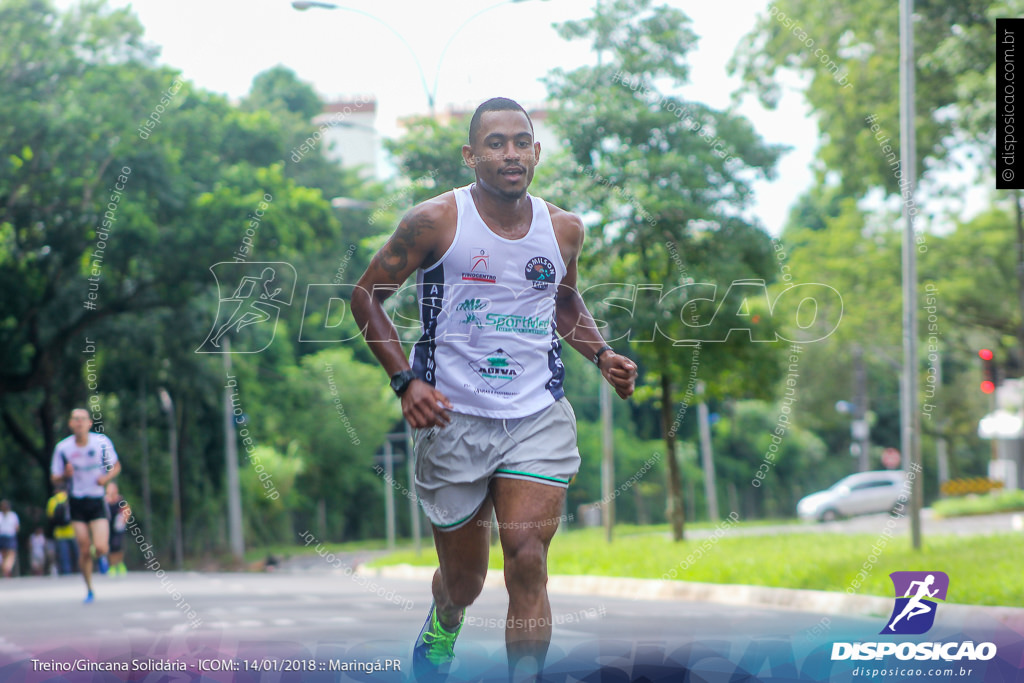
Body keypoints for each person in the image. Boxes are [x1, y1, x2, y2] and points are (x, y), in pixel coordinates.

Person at [351, 97, 637, 681]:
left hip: (537, 415)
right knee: (465, 583)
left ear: (537, 151)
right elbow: (365, 297)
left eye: (521, 141)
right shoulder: (434, 222)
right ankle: (443, 623)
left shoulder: (563, 229)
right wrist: (405, 381)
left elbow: (561, 301)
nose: (511, 153)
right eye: (496, 143)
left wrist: (602, 353)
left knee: (527, 562)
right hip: (451, 418)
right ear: (471, 155)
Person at [50, 408, 121, 602]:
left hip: (96, 499)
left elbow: (116, 466)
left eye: (82, 419)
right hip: (76, 501)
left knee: (101, 547)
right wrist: (65, 475)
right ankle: (89, 588)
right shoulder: (63, 449)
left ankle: (99, 554)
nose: (79, 423)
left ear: (89, 423)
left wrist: (105, 479)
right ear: (70, 424)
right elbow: (54, 478)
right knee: (83, 549)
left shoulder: (101, 443)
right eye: (75, 419)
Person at [46, 482, 78, 575]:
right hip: (73, 531)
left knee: (64, 557)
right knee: (77, 555)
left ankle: (66, 574)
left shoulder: (52, 501)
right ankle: (79, 571)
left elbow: (50, 517)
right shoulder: (71, 499)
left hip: (59, 532)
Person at [105, 482, 129, 576]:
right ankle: (112, 566)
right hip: (108, 526)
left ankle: (120, 563)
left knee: (118, 545)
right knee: (110, 546)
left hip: (118, 526)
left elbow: (127, 511)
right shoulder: (105, 500)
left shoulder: (121, 500)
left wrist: (123, 521)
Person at [0, 499, 19, 577]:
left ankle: (4, 568)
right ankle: (7, 568)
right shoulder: (13, 515)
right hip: (10, 536)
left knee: (4, 555)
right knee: (11, 554)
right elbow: (17, 527)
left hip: (1, 536)